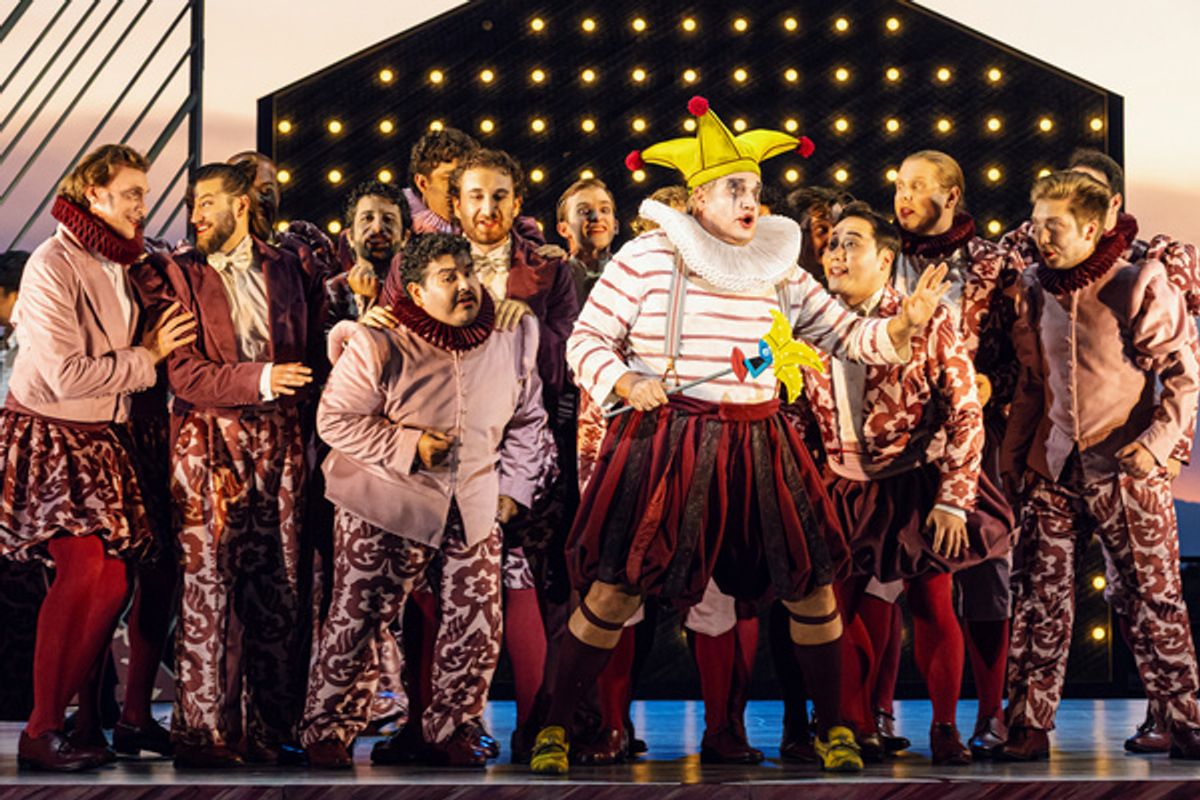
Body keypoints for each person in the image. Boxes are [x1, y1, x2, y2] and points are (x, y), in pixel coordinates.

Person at [528, 95, 950, 775]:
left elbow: (843, 334)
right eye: (735, 188)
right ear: (698, 198)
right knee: (615, 587)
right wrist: (626, 383)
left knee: (810, 585)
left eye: (755, 188)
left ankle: (835, 727)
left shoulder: (777, 263)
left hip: (759, 438)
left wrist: (901, 329)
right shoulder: (646, 258)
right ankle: (555, 727)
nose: (751, 199)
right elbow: (587, 339)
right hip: (668, 439)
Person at [300, 232, 551, 768]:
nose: (465, 285)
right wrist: (408, 446)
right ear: (415, 291)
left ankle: (454, 728)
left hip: (476, 499)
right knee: (361, 617)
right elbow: (334, 420)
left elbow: (530, 417)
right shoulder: (380, 340)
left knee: (476, 622)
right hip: (386, 498)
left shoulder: (511, 331)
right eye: (448, 277)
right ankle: (328, 730)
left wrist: (513, 489)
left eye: (467, 272)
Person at [0, 144, 195, 771]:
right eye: (131, 193)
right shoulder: (53, 265)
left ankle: (73, 727)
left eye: (145, 192)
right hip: (51, 433)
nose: (144, 205)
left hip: (98, 435)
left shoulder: (122, 260)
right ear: (94, 195)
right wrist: (150, 357)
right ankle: (42, 729)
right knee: (85, 571)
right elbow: (64, 375)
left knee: (110, 582)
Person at [1000, 170, 1200, 761]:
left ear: (1092, 227)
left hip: (1126, 465)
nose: (1042, 237)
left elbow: (1184, 378)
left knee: (1153, 596)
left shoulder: (1139, 282)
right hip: (1057, 464)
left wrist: (1158, 443)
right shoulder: (1035, 286)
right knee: (1040, 597)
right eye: (1037, 225)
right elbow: (1034, 384)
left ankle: (1185, 720)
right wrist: (1015, 458)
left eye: (1054, 226)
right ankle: (1028, 724)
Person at [803, 203, 1003, 764]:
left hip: (914, 479)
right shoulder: (807, 318)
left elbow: (966, 411)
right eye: (833, 243)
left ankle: (945, 727)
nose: (837, 254)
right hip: (842, 485)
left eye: (852, 243)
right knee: (833, 608)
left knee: (932, 601)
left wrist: (954, 503)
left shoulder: (927, 315)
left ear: (886, 258)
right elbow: (793, 406)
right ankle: (856, 723)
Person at [166, 161, 325, 767]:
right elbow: (183, 372)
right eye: (192, 203)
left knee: (279, 588)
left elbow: (313, 355)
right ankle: (201, 732)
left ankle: (270, 728)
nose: (196, 213)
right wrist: (261, 379)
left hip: (281, 441)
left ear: (241, 204)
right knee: (208, 586)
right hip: (208, 440)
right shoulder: (178, 271)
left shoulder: (291, 266)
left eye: (207, 201)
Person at [885, 150, 1020, 757]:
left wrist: (998, 383)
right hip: (902, 444)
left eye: (918, 185)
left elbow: (1027, 349)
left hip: (977, 437)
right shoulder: (883, 257)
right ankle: (884, 715)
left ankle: (992, 714)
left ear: (953, 195)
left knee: (988, 576)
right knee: (905, 578)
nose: (904, 196)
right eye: (899, 185)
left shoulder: (994, 263)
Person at [325, 180, 411, 324]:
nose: (378, 228)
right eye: (367, 218)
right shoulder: (331, 292)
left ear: (405, 237)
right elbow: (322, 345)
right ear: (350, 237)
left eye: (388, 219)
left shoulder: (420, 288)